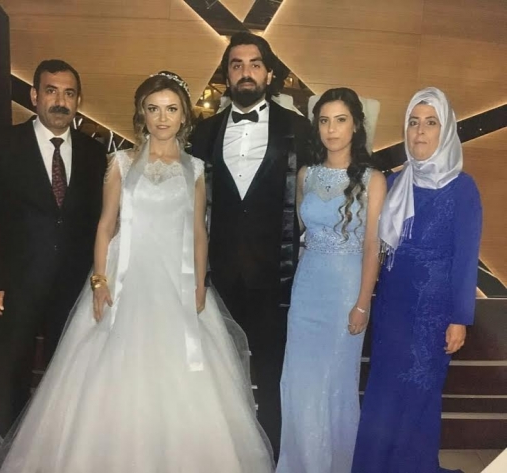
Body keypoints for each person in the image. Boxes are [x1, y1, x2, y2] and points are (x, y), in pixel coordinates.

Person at [0, 72, 274, 473]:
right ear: (142, 114)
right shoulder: (121, 162)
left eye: (171, 109)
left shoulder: (195, 169)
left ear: (183, 116)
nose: (162, 118)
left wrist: (199, 283)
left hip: (175, 278)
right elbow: (105, 225)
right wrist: (99, 280)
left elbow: (198, 232)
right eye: (154, 109)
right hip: (125, 276)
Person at [188, 32, 310, 455]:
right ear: (226, 75)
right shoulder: (203, 133)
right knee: (220, 375)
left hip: (275, 278)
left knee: (272, 375)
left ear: (269, 73)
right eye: (236, 65)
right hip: (218, 278)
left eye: (254, 64)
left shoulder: (298, 129)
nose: (245, 72)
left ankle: (271, 456)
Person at [352, 87, 482, 473]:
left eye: (430, 122)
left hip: (433, 316)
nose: (420, 131)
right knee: (383, 394)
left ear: (446, 130)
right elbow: (373, 244)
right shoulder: (394, 183)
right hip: (392, 308)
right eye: (413, 122)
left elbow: (466, 258)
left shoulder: (463, 188)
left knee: (418, 398)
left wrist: (459, 318)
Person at [0, 59, 107, 437]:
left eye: (69, 93)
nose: (60, 101)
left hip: (71, 286)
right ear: (34, 96)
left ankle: (52, 441)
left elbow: (96, 220)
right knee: (12, 368)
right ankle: (10, 440)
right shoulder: (1, 144)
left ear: (78, 100)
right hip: (15, 285)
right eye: (51, 91)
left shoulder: (93, 152)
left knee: (64, 368)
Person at [277, 88, 386, 473]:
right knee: (299, 382)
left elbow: (373, 246)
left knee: (334, 384)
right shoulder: (305, 175)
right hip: (308, 289)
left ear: (356, 125)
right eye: (324, 121)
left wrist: (363, 304)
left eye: (340, 120)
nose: (331, 129)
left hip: (346, 291)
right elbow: (304, 235)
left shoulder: (373, 179)